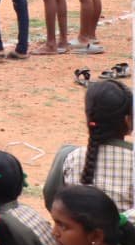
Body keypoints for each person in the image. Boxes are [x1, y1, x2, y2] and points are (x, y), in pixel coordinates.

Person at [44, 79, 134, 217]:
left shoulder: (70, 157)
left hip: (76, 230)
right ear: (128, 121)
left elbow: (51, 198)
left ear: (89, 118)